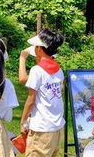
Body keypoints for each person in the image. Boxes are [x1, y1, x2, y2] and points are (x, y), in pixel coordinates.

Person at [19, 29, 65, 157]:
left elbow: (31, 99)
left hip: (42, 128)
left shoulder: (37, 70)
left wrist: (23, 122)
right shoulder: (59, 70)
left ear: (39, 49)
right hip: (56, 126)